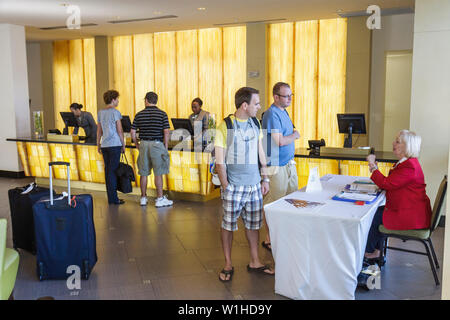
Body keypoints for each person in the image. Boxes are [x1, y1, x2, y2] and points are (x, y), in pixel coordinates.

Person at [215, 86, 274, 282]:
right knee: (228, 226)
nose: (259, 107)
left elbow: (261, 152)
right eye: (256, 103)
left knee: (253, 225)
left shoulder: (255, 123)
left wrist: (265, 178)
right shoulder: (226, 126)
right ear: (245, 105)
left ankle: (255, 261)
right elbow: (219, 161)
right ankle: (228, 263)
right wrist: (226, 186)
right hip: (234, 187)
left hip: (254, 185)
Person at [364, 130, 432, 262]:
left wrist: (372, 166)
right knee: (376, 213)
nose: (393, 143)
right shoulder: (406, 163)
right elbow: (392, 183)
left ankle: (367, 252)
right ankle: (376, 251)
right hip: (409, 209)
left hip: (411, 215)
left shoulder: (409, 166)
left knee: (374, 217)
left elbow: (387, 183)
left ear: (407, 147)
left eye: (397, 141)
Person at [261, 82, 300, 252]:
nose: (290, 98)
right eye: (286, 96)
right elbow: (280, 141)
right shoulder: (271, 114)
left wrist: (291, 135)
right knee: (273, 204)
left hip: (288, 164)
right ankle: (269, 239)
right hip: (274, 166)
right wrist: (295, 135)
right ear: (276, 97)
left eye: (291, 95)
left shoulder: (284, 112)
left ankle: (284, 235)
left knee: (291, 201)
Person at [130, 92, 172, 208]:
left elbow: (132, 132)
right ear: (156, 101)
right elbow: (166, 131)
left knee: (143, 173)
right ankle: (159, 199)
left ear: (146, 100)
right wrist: (165, 146)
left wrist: (137, 144)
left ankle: (143, 198)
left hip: (143, 144)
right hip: (157, 144)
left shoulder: (139, 115)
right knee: (158, 173)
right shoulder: (162, 114)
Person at [97, 90, 126, 205]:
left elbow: (99, 130)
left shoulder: (100, 113)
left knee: (108, 171)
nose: (118, 101)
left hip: (105, 145)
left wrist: (98, 144)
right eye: (117, 99)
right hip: (115, 144)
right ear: (113, 99)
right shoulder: (116, 112)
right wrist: (123, 144)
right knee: (112, 172)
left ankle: (111, 198)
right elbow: (120, 130)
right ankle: (114, 199)